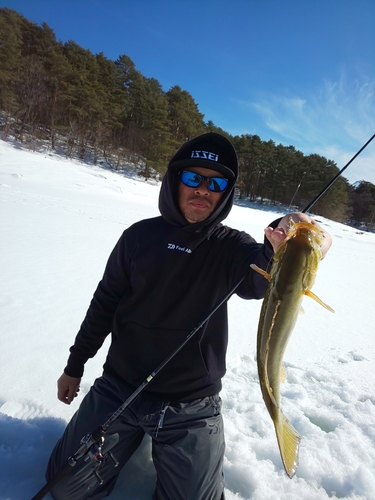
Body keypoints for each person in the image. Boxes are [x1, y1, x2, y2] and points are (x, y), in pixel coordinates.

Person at [46, 133, 332, 500]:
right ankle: (126, 442)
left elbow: (263, 278)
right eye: (193, 178)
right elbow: (104, 304)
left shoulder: (232, 247)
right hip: (120, 387)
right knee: (65, 488)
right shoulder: (137, 238)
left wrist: (295, 229)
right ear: (174, 181)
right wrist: (74, 366)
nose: (203, 190)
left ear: (225, 193)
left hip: (191, 404)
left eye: (215, 183)